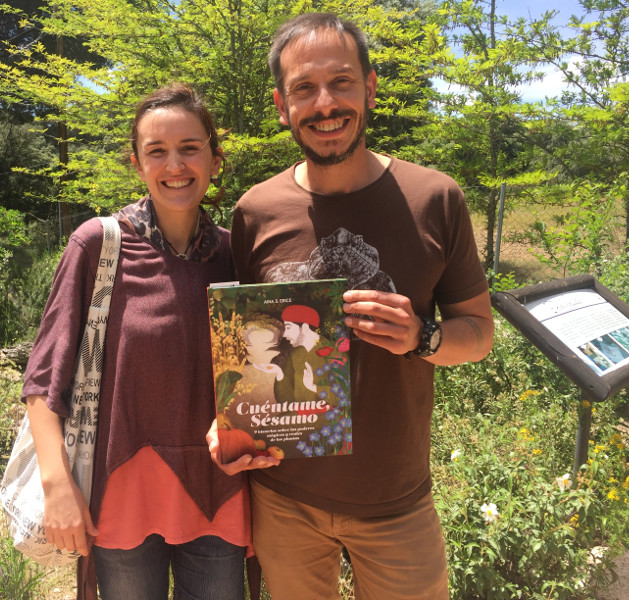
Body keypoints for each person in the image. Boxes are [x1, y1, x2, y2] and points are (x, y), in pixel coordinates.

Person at [207, 12, 494, 600]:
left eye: (341, 81)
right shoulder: (255, 211)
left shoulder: (435, 198)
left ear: (370, 85)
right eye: (303, 89)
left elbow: (480, 333)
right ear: (282, 106)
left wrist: (423, 337)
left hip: (397, 500)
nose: (325, 103)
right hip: (283, 497)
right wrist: (227, 423)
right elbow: (237, 347)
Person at [22, 84, 250, 600]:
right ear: (137, 163)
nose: (176, 164)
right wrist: (58, 485)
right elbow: (43, 380)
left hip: (218, 488)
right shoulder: (98, 246)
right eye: (157, 151)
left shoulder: (236, 257)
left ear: (215, 157)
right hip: (121, 491)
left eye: (190, 147)